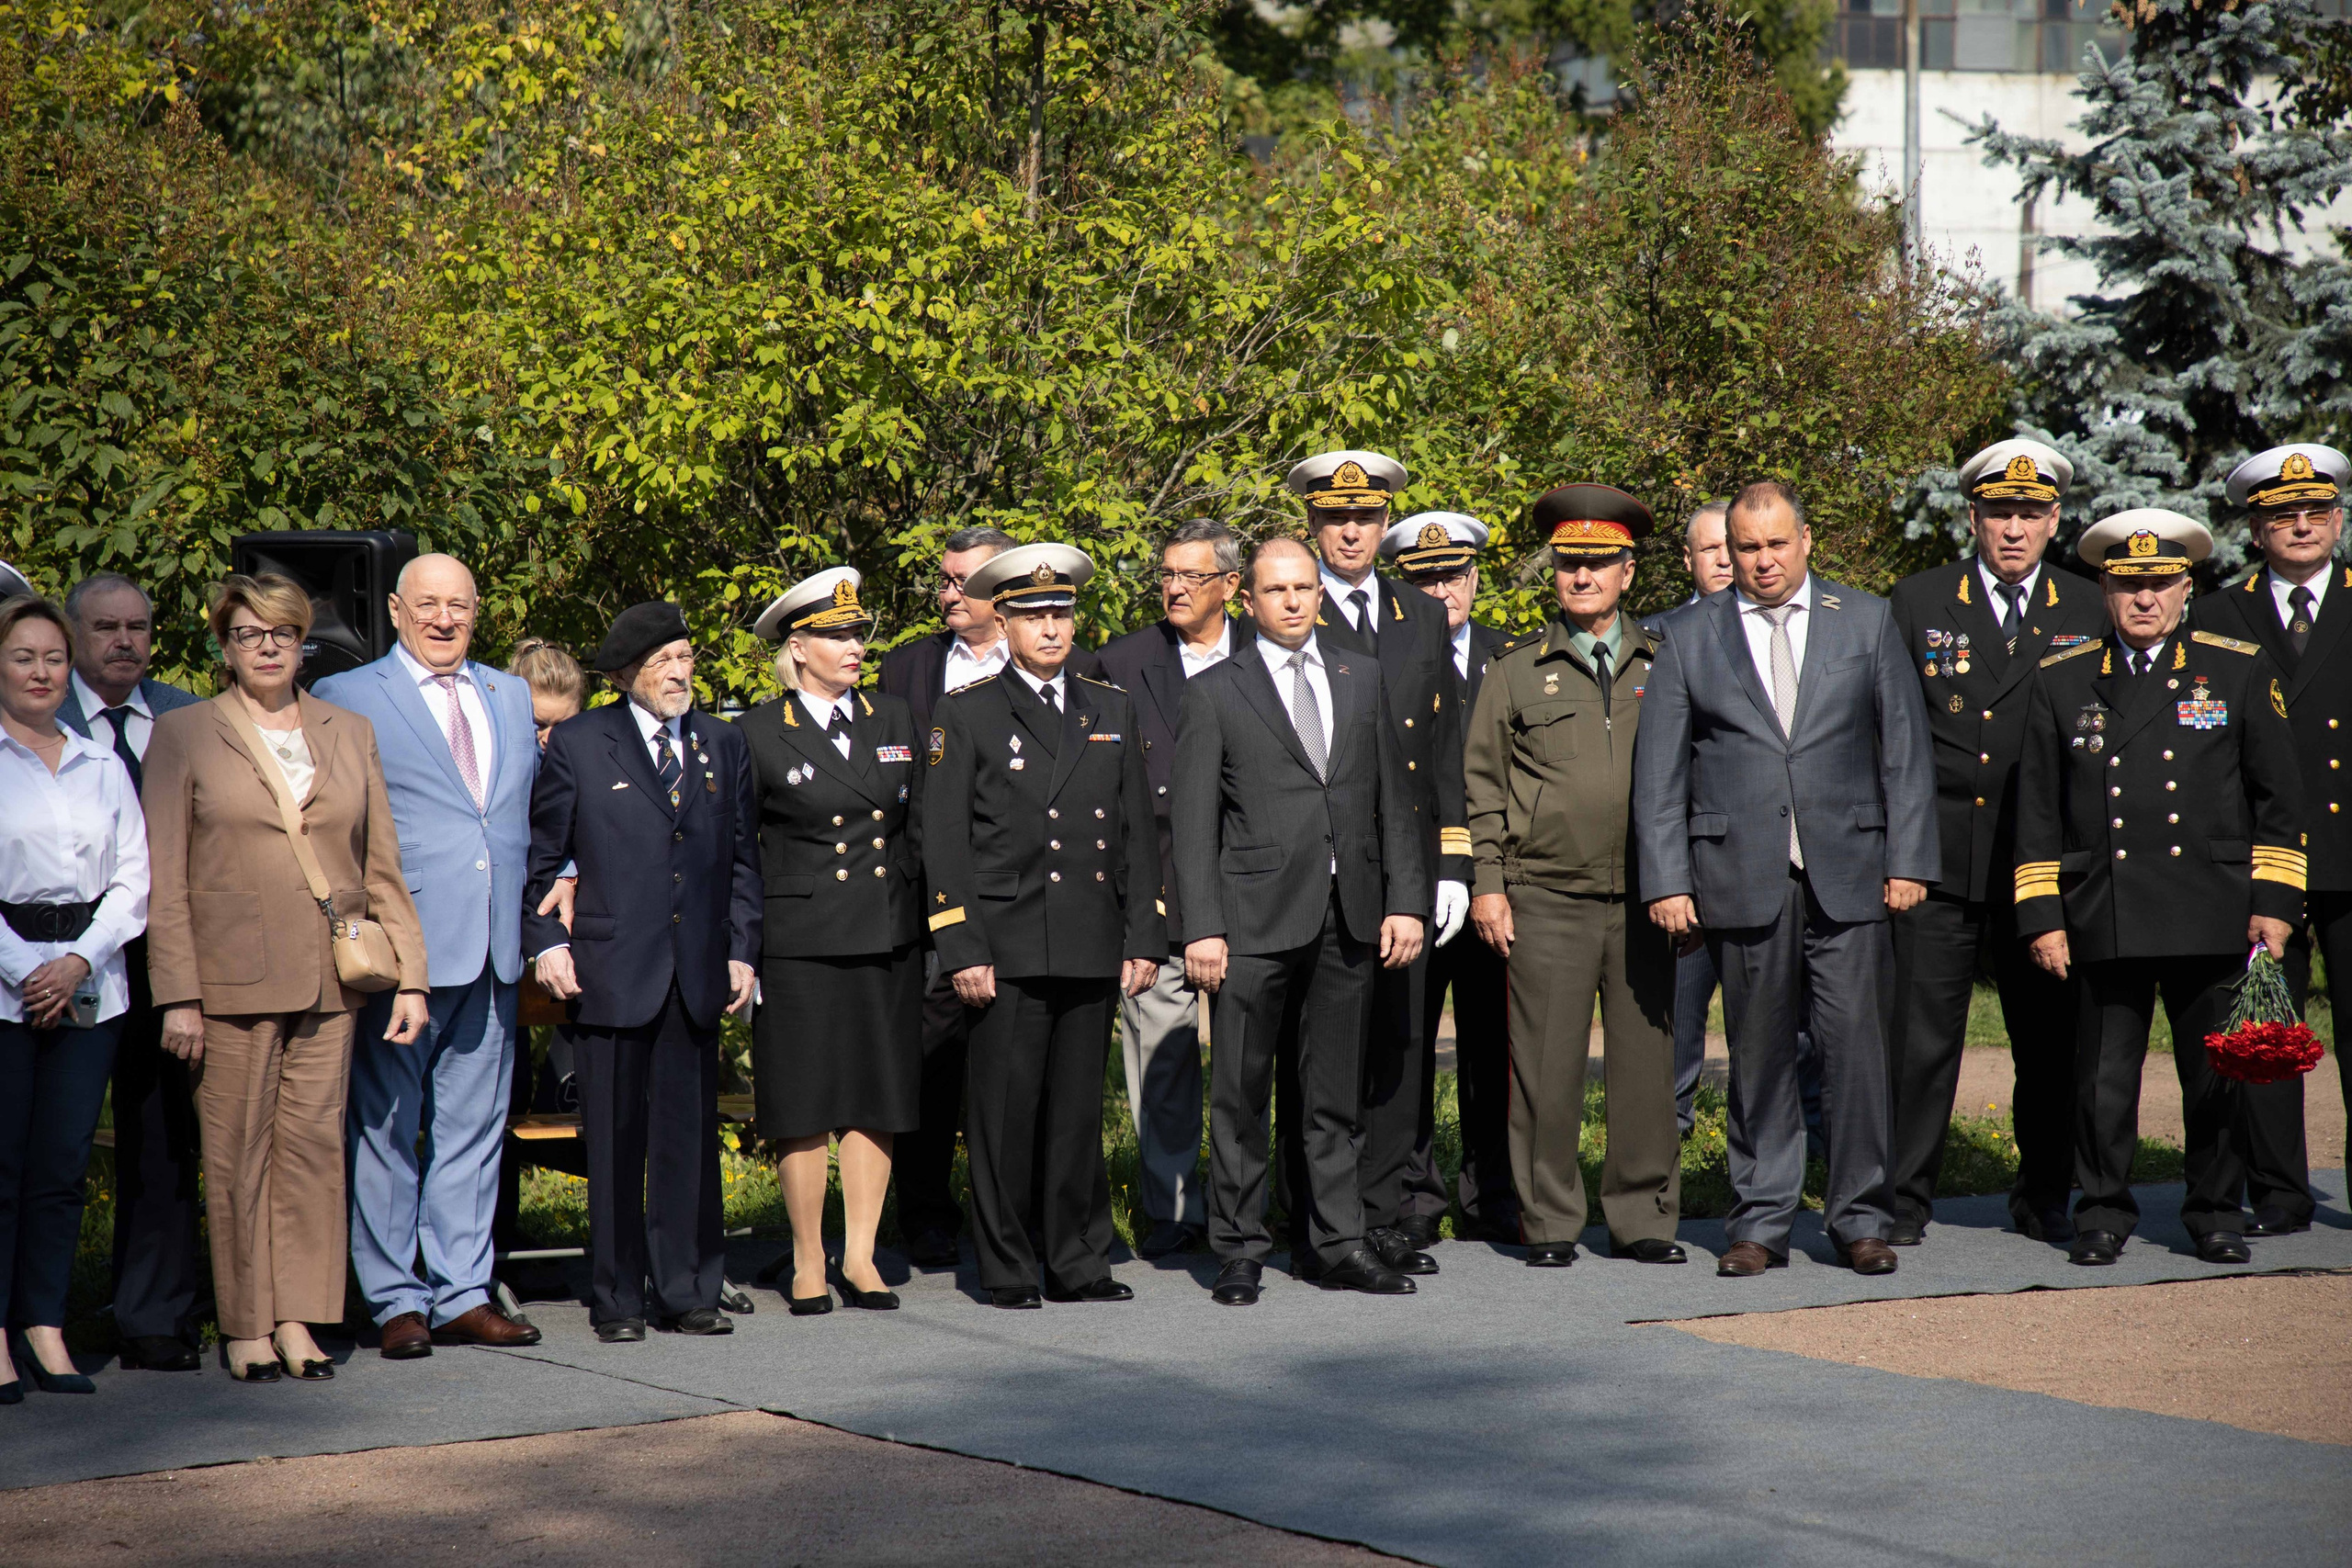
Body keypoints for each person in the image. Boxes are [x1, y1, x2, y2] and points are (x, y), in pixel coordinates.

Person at [1633, 481, 1938, 1279]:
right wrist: (1667, 879)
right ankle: (1761, 1223)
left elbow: (1903, 750)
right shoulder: (1689, 636)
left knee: (1854, 1056)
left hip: (1852, 873)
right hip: (1740, 874)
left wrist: (1909, 860)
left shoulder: (1866, 621)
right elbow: (1659, 774)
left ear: (1806, 540)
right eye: (1745, 547)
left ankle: (1860, 1217)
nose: (1762, 561)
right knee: (1759, 1057)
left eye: (1775, 544)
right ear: (1726, 553)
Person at [145, 573, 431, 1382]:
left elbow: (382, 864)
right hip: (227, 985)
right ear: (223, 645)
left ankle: (300, 1317)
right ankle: (244, 1325)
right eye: (248, 634)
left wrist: (410, 977)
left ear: (304, 642)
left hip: (330, 981)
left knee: (312, 1154)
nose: (266, 646)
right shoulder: (185, 733)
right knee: (235, 1155)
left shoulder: (350, 730)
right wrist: (179, 994)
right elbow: (165, 879)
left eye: (281, 633)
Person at [2014, 510, 2305, 1267]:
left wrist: (2273, 904)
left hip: (2211, 906)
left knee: (2216, 1077)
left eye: (2160, 585)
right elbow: (2038, 810)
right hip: (2103, 907)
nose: (2145, 600)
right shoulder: (2063, 677)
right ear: (2105, 591)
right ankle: (2102, 1213)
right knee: (2100, 1082)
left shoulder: (2235, 668)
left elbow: (2279, 797)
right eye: (2128, 585)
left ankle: (2215, 1212)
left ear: (2186, 589)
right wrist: (2042, 913)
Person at [1173, 537, 1429, 1305]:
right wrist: (1202, 926)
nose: (1292, 600)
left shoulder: (1362, 676)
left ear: (1321, 595)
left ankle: (1335, 1242)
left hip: (1346, 916)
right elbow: (1192, 822)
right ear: (1246, 600)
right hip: (1250, 920)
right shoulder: (1217, 690)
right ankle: (1242, 1247)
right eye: (1276, 589)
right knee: (1241, 1092)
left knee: (1332, 1096)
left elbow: (1393, 797)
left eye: (1304, 588)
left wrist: (1406, 899)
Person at [917, 545, 1162, 1308]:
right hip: (1006, 944)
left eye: (1061, 614)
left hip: (1089, 937)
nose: (1051, 629)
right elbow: (944, 839)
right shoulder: (968, 711)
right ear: (1004, 620)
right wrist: (960, 944)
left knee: (1075, 1113)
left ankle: (1079, 1258)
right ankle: (1010, 1265)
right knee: (1003, 1115)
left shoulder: (1108, 708)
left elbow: (1136, 835)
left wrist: (1145, 935)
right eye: (1033, 616)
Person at [313, 554, 543, 1359]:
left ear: (478, 612)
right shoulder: (349, 696)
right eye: (429, 605)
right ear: (398, 610)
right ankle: (393, 1296)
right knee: (386, 1124)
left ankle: (461, 1290)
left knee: (475, 1129)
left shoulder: (509, 694)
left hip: (493, 948)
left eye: (460, 606)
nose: (444, 620)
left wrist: (571, 872)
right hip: (398, 955)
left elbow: (532, 810)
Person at [1885, 440, 2108, 1247]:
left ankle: (2045, 1190)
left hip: (2039, 869)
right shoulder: (1916, 602)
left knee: (2049, 1045)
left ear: (2054, 520)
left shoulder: (2088, 609)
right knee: (1918, 1044)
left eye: (2029, 514)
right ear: (1972, 517)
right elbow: (1892, 736)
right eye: (1998, 513)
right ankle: (1903, 1196)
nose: (2013, 529)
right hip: (1938, 862)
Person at [526, 602, 761, 1341]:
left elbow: (744, 861)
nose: (679, 672)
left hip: (696, 973)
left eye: (686, 657)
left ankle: (690, 1287)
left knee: (688, 1141)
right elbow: (539, 860)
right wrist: (545, 941)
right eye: (663, 662)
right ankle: (619, 1297)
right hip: (609, 970)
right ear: (626, 673)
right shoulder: (581, 742)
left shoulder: (723, 743)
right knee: (617, 1145)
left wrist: (742, 947)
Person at [1465, 487, 1682, 1267]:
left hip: (1645, 899)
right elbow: (1482, 784)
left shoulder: (1668, 660)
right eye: (1568, 563)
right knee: (1546, 1071)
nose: (1581, 576)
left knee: (1645, 1071)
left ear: (1628, 571)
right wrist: (1487, 882)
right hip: (1545, 897)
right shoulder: (1517, 669)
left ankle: (1645, 1217)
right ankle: (1550, 1222)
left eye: (1597, 563)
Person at [1290, 450, 1467, 1274]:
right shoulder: (1290, 612)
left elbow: (1442, 750)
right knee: (1325, 1048)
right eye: (1335, 518)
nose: (1351, 530)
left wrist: (1454, 864)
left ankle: (1385, 1210)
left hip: (1407, 864)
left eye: (1364, 517)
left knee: (1401, 1042)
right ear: (1315, 527)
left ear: (1383, 523)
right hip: (1322, 865)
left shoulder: (1419, 615)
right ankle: (1319, 1215)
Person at [741, 569, 923, 1314]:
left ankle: (862, 1253)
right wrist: (741, 947)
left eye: (859, 633)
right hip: (799, 940)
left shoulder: (895, 717)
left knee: (874, 1098)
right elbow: (740, 851)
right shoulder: (757, 730)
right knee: (805, 1101)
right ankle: (809, 1257)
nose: (855, 647)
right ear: (799, 646)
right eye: (838, 635)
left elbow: (919, 830)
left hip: (884, 933)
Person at [2192, 444, 2351, 1226]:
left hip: (2351, 849)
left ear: (2338, 519)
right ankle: (2280, 1193)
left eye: (2314, 512)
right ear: (2255, 529)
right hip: (2261, 857)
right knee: (2264, 1032)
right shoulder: (2219, 614)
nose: (2300, 526)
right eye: (2281, 515)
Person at [0, 596, 149, 1399]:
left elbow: (135, 877)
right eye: (24, 657)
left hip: (91, 981)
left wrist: (79, 961)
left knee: (61, 1166)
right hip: (5, 983)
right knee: (2, 1164)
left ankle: (45, 1324)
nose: (41, 672)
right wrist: (28, 968)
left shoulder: (101, 763)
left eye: (54, 659)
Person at [55, 574, 203, 1373]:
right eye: (106, 626)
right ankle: (36, 1317)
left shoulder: (188, 716)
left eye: (138, 627)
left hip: (167, 959)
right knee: (54, 1146)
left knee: (163, 1142)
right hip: (61, 960)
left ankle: (154, 1314)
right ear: (75, 633)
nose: (124, 641)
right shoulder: (35, 713)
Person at [1095, 520, 1244, 1259]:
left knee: (1254, 1064)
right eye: (1166, 575)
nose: (1175, 587)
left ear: (1231, 586)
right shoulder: (1123, 663)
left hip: (1255, 897)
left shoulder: (1271, 653)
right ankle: (1176, 1208)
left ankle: (1253, 1204)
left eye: (1192, 575)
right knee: (1163, 1061)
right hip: (1160, 896)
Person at [1380, 511, 1519, 1243]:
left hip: (1494, 883)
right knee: (1405, 1047)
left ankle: (1493, 1194)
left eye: (1453, 574)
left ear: (1474, 578)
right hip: (1414, 884)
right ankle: (1410, 1199)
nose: (1441, 588)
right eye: (1424, 576)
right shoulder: (1384, 656)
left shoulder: (1511, 658)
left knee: (1493, 1047)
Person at [1644, 503, 1735, 1138]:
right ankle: (1668, 1142)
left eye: (1734, 545)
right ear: (1688, 561)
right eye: (1710, 550)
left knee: (1784, 1028)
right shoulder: (1652, 638)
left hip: (1758, 865)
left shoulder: (1790, 629)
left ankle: (1804, 1145)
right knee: (1675, 1020)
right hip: (1683, 869)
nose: (1726, 559)